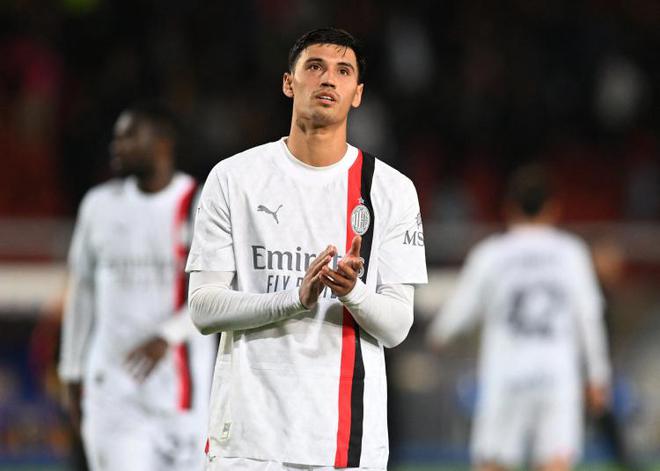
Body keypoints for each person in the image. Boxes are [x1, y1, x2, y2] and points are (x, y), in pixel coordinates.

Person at [186, 27, 428, 470]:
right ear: (288, 83)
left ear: (358, 93)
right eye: (315, 67)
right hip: (247, 442)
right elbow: (202, 308)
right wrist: (294, 299)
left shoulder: (390, 190)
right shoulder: (233, 178)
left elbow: (397, 327)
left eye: (343, 71)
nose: (328, 79)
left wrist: (353, 292)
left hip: (344, 445)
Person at [58, 104, 216, 470]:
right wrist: (71, 370)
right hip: (114, 393)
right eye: (117, 137)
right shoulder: (99, 205)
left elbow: (221, 291)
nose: (117, 146)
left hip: (183, 395)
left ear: (162, 143)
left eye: (129, 136)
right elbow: (81, 293)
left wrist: (168, 335)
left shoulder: (202, 203)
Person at [427, 165, 611, 471]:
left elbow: (460, 311)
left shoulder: (490, 254)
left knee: (493, 462)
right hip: (556, 375)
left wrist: (438, 335)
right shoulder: (571, 253)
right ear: (553, 208)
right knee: (555, 461)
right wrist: (597, 376)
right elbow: (589, 317)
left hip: (506, 375)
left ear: (509, 207)